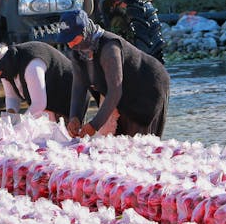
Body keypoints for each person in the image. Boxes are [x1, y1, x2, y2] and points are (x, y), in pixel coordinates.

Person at [56, 9, 169, 138]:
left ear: (85, 31)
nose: (71, 45)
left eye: (74, 38)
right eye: (67, 40)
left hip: (147, 87)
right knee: (117, 143)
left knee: (139, 143)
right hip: (122, 91)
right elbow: (79, 86)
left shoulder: (109, 48)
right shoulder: (78, 51)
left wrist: (94, 125)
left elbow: (115, 91)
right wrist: (75, 117)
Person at [0, 41, 73, 120]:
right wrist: (10, 118)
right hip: (48, 104)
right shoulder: (8, 70)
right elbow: (12, 98)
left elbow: (39, 104)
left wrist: (22, 123)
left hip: (69, 95)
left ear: (2, 64)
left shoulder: (31, 66)